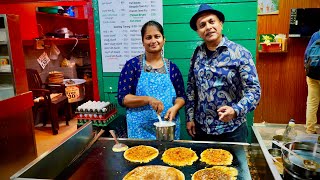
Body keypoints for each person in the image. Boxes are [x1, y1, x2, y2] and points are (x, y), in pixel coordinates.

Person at [185, 4, 261, 142]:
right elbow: (191, 89)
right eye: (202, 25)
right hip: (202, 130)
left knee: (235, 164)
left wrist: (235, 110)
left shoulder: (240, 53)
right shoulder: (196, 54)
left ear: (221, 24)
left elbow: (254, 91)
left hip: (232, 130)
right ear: (198, 31)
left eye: (211, 21)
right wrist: (189, 118)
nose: (208, 27)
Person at [117, 20, 186, 139]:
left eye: (157, 36)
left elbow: (181, 96)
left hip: (167, 129)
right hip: (139, 129)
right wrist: (148, 99)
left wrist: (175, 107)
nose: (153, 41)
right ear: (143, 42)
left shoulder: (172, 68)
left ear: (164, 40)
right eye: (148, 37)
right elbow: (123, 99)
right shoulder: (132, 66)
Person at [305, 30, 320, 134]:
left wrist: (306, 68)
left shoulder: (316, 34)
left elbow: (307, 53)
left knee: (312, 102)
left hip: (312, 73)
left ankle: (310, 129)